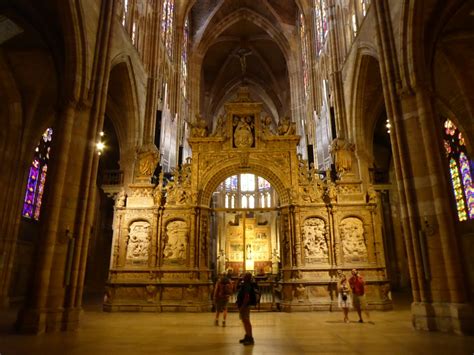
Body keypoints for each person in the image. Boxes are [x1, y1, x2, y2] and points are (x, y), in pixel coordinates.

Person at [236, 272, 257, 345]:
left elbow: (246, 297)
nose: (242, 277)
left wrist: (242, 306)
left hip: (245, 306)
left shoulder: (247, 285)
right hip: (243, 305)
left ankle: (250, 338)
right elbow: (237, 288)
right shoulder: (245, 284)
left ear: (246, 278)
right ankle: (247, 336)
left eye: (244, 276)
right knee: (244, 321)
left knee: (246, 321)